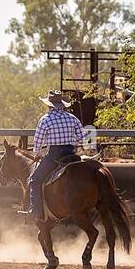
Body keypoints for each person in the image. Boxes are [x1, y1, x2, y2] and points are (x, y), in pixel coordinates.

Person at [18, 90, 84, 221]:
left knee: (34, 179)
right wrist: (72, 142)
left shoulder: (45, 120)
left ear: (49, 105)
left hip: (54, 155)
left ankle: (35, 210)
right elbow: (82, 138)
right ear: (61, 105)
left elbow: (38, 141)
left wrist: (37, 154)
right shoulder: (72, 118)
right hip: (71, 154)